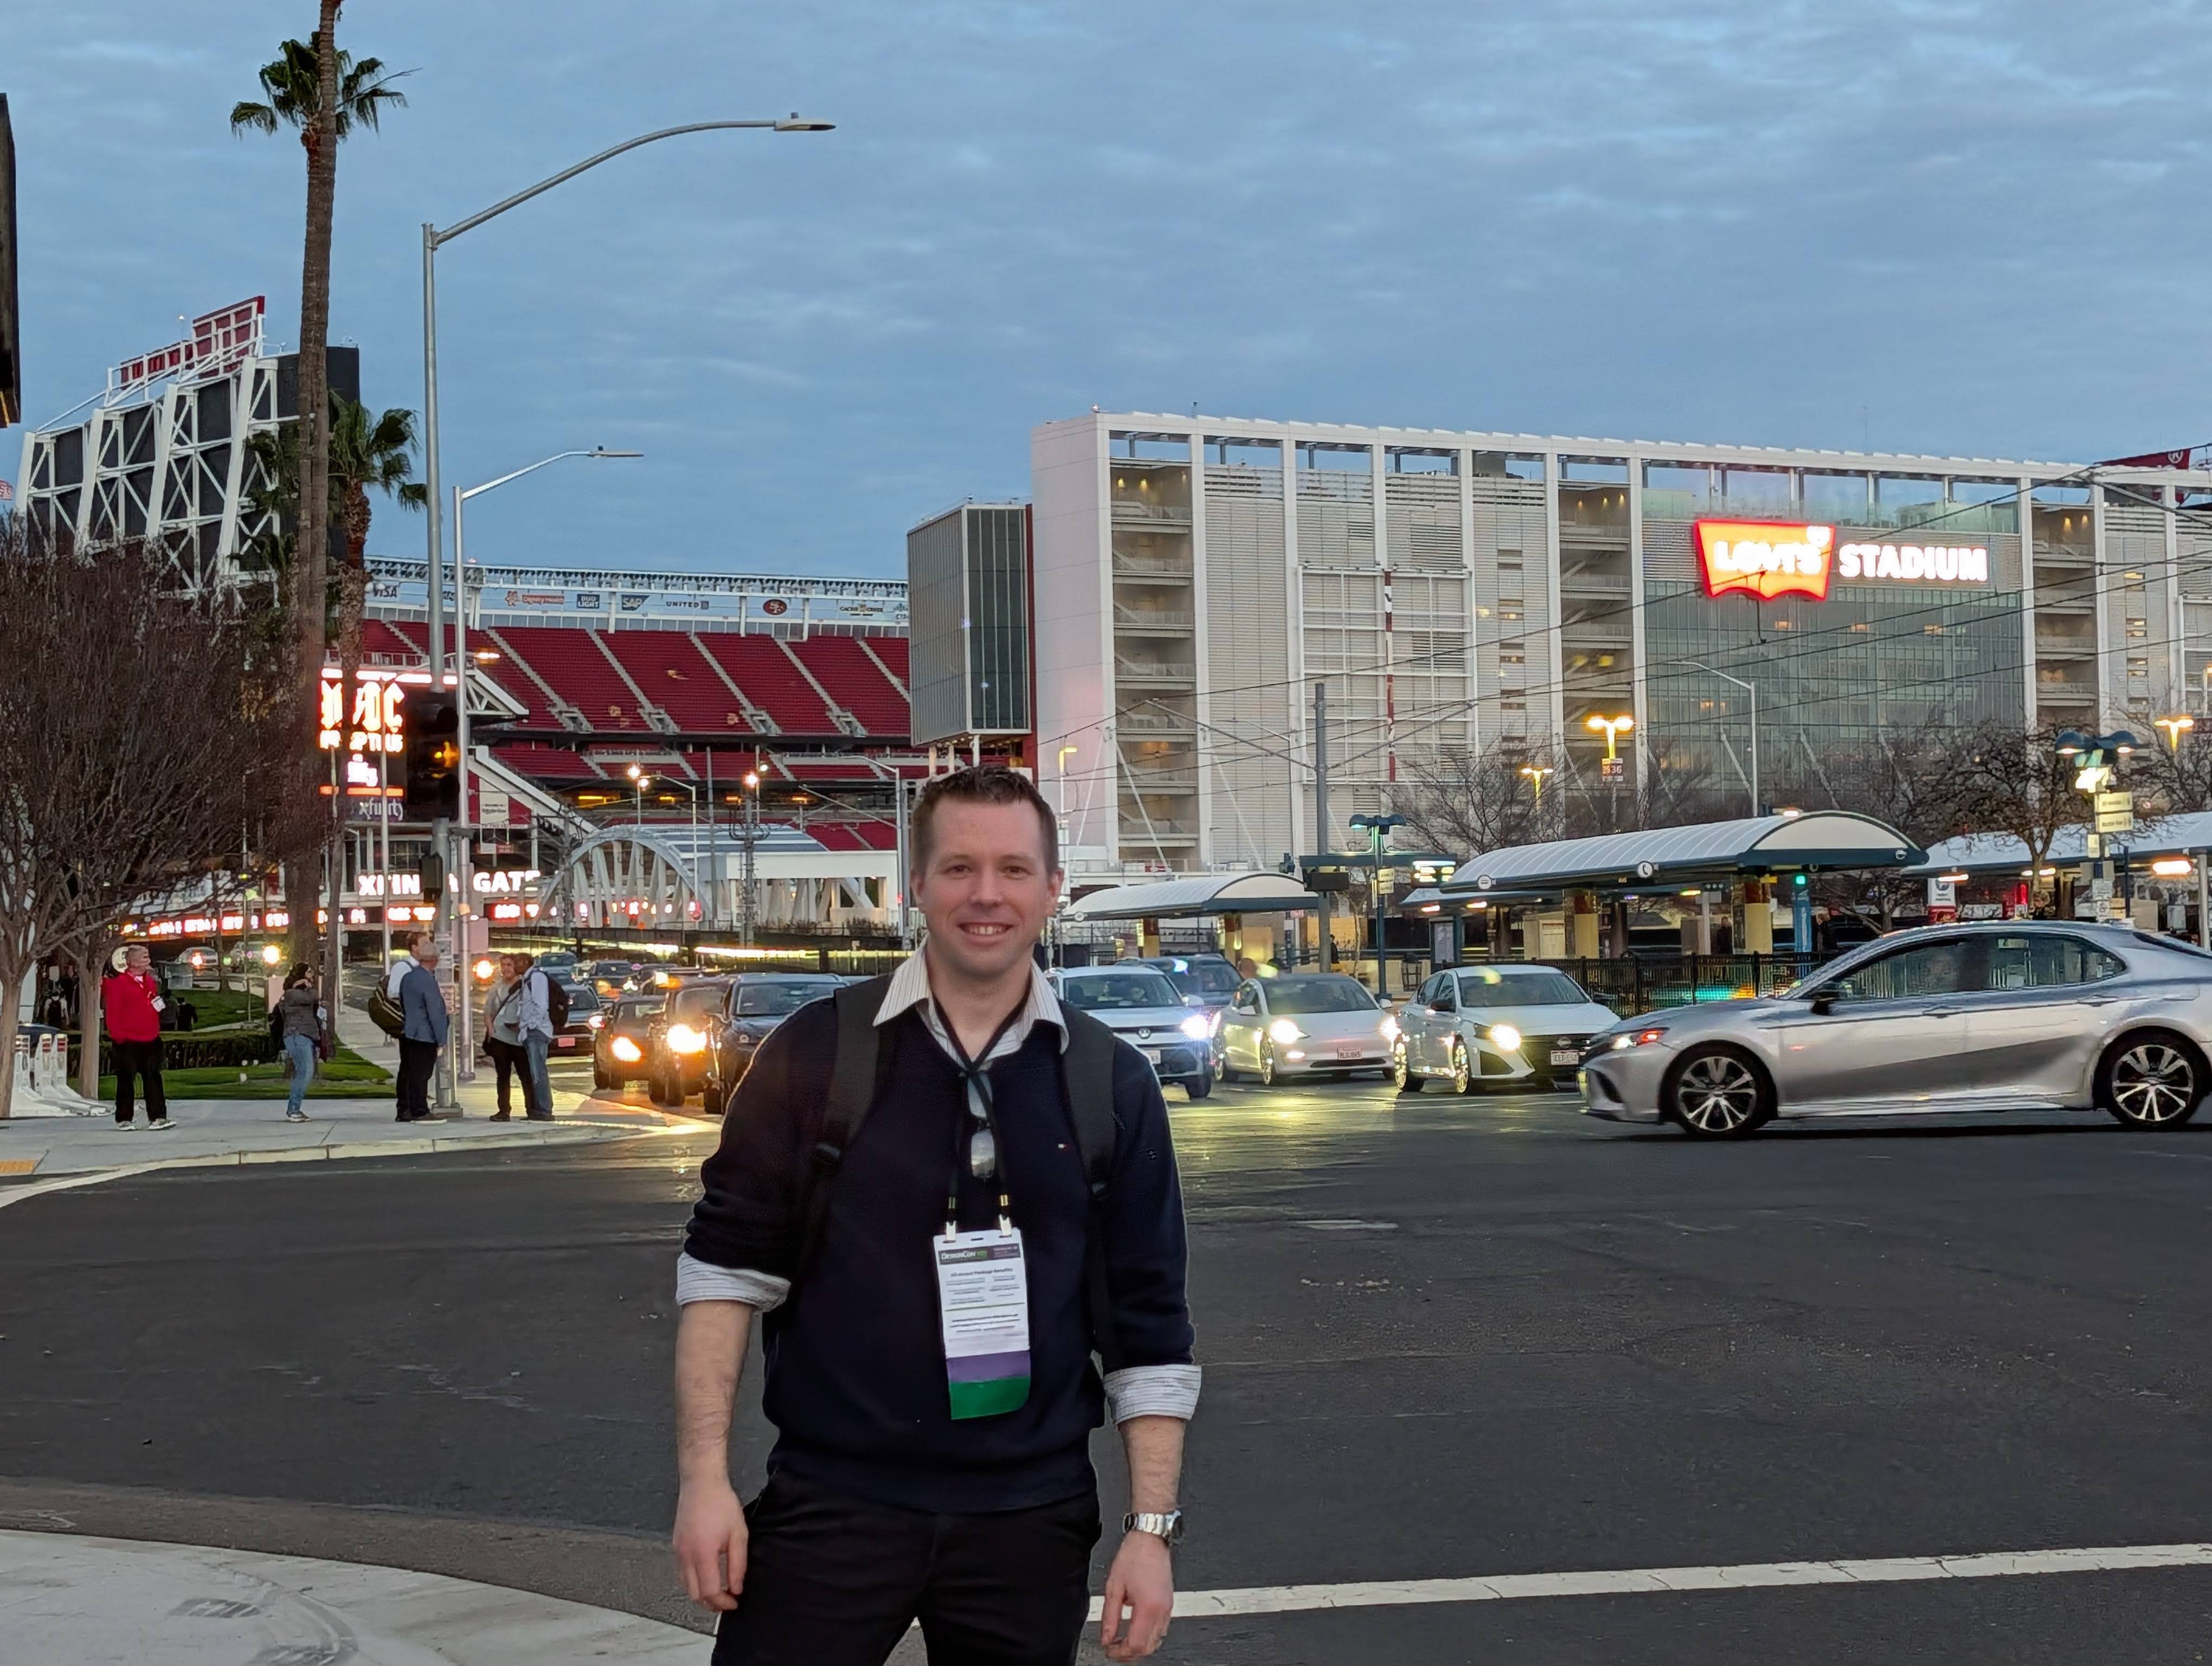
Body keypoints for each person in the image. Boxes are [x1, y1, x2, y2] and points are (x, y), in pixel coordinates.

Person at [673, 765, 1196, 1665]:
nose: (985, 894)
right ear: (915, 884)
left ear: (1053, 889)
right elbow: (722, 1279)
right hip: (834, 1503)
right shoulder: (817, 1052)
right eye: (957, 868)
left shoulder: (1109, 1081)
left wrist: (1150, 1532)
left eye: (1013, 869)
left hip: (1029, 1519)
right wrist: (702, 1482)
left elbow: (1150, 1329)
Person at [104, 944, 173, 1131]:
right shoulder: (118, 984)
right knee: (126, 1079)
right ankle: (124, 1119)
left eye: (147, 956)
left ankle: (158, 1117)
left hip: (150, 1038)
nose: (147, 959)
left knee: (153, 1078)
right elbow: (113, 1013)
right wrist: (118, 1036)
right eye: (143, 957)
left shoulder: (150, 982)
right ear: (132, 962)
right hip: (128, 1040)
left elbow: (154, 1003)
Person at [396, 940, 449, 1124]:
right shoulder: (428, 981)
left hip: (409, 1031)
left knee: (409, 1073)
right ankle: (420, 1110)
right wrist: (441, 1038)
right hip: (425, 1035)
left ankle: (405, 1109)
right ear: (434, 960)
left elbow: (402, 1002)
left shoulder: (408, 978)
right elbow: (435, 1012)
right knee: (422, 1074)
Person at [275, 963, 324, 1124]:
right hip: (296, 1036)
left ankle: (295, 1109)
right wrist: (306, 987)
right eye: (309, 972)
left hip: (306, 1035)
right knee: (305, 1071)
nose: (312, 975)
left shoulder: (301, 993)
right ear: (301, 975)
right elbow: (313, 997)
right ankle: (293, 1110)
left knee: (305, 1072)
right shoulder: (291, 994)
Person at [512, 952, 557, 1121]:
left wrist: (532, 1025)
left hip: (537, 1032)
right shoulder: (527, 979)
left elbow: (541, 1005)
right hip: (530, 1032)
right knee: (535, 1072)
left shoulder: (536, 978)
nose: (515, 966)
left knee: (539, 1073)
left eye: (516, 962)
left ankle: (545, 1110)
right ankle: (539, 1109)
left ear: (525, 962)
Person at [483, 954, 526, 1122]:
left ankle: (532, 1108)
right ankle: (504, 1110)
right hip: (500, 1037)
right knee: (503, 1076)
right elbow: (488, 1012)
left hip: (519, 1038)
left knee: (525, 1074)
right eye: (503, 965)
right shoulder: (497, 987)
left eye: (509, 965)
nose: (506, 968)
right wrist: (491, 1030)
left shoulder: (524, 986)